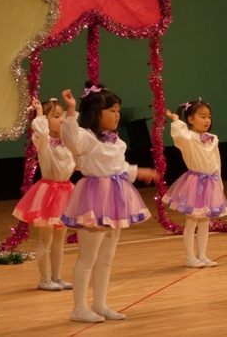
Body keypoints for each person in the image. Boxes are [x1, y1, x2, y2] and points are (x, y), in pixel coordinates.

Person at [60, 83, 158, 323]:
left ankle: (100, 304)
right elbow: (70, 138)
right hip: (94, 197)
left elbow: (118, 167)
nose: (117, 115)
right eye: (112, 110)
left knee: (106, 258)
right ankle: (79, 308)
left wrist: (138, 171)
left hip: (115, 197)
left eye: (118, 110)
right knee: (88, 258)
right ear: (96, 113)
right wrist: (71, 110)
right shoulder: (85, 137)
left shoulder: (115, 141)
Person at [13, 98, 75, 291]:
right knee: (46, 239)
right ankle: (44, 279)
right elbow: (40, 133)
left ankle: (57, 277)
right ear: (46, 121)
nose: (61, 120)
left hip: (66, 191)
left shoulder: (67, 141)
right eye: (55, 116)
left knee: (59, 240)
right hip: (48, 192)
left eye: (61, 115)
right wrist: (39, 112)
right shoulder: (44, 142)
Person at [163, 99, 227, 268]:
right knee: (192, 221)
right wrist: (177, 120)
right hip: (195, 183)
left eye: (209, 116)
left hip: (211, 183)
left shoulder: (212, 139)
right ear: (191, 119)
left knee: (205, 222)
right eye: (202, 116)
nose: (207, 120)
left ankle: (202, 255)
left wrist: (219, 185)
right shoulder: (188, 138)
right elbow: (179, 136)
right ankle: (190, 257)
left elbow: (217, 162)